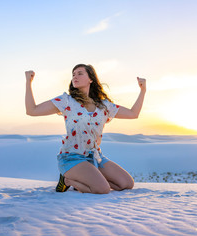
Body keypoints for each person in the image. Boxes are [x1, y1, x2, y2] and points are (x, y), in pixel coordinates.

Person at [25, 64, 146, 194]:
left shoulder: (103, 105)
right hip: (72, 157)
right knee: (102, 189)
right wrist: (28, 82)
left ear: (91, 79)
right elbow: (32, 110)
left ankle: (90, 177)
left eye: (80, 73)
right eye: (73, 74)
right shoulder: (66, 101)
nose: (75, 76)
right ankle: (67, 180)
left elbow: (133, 114)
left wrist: (143, 90)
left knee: (126, 183)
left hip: (95, 156)